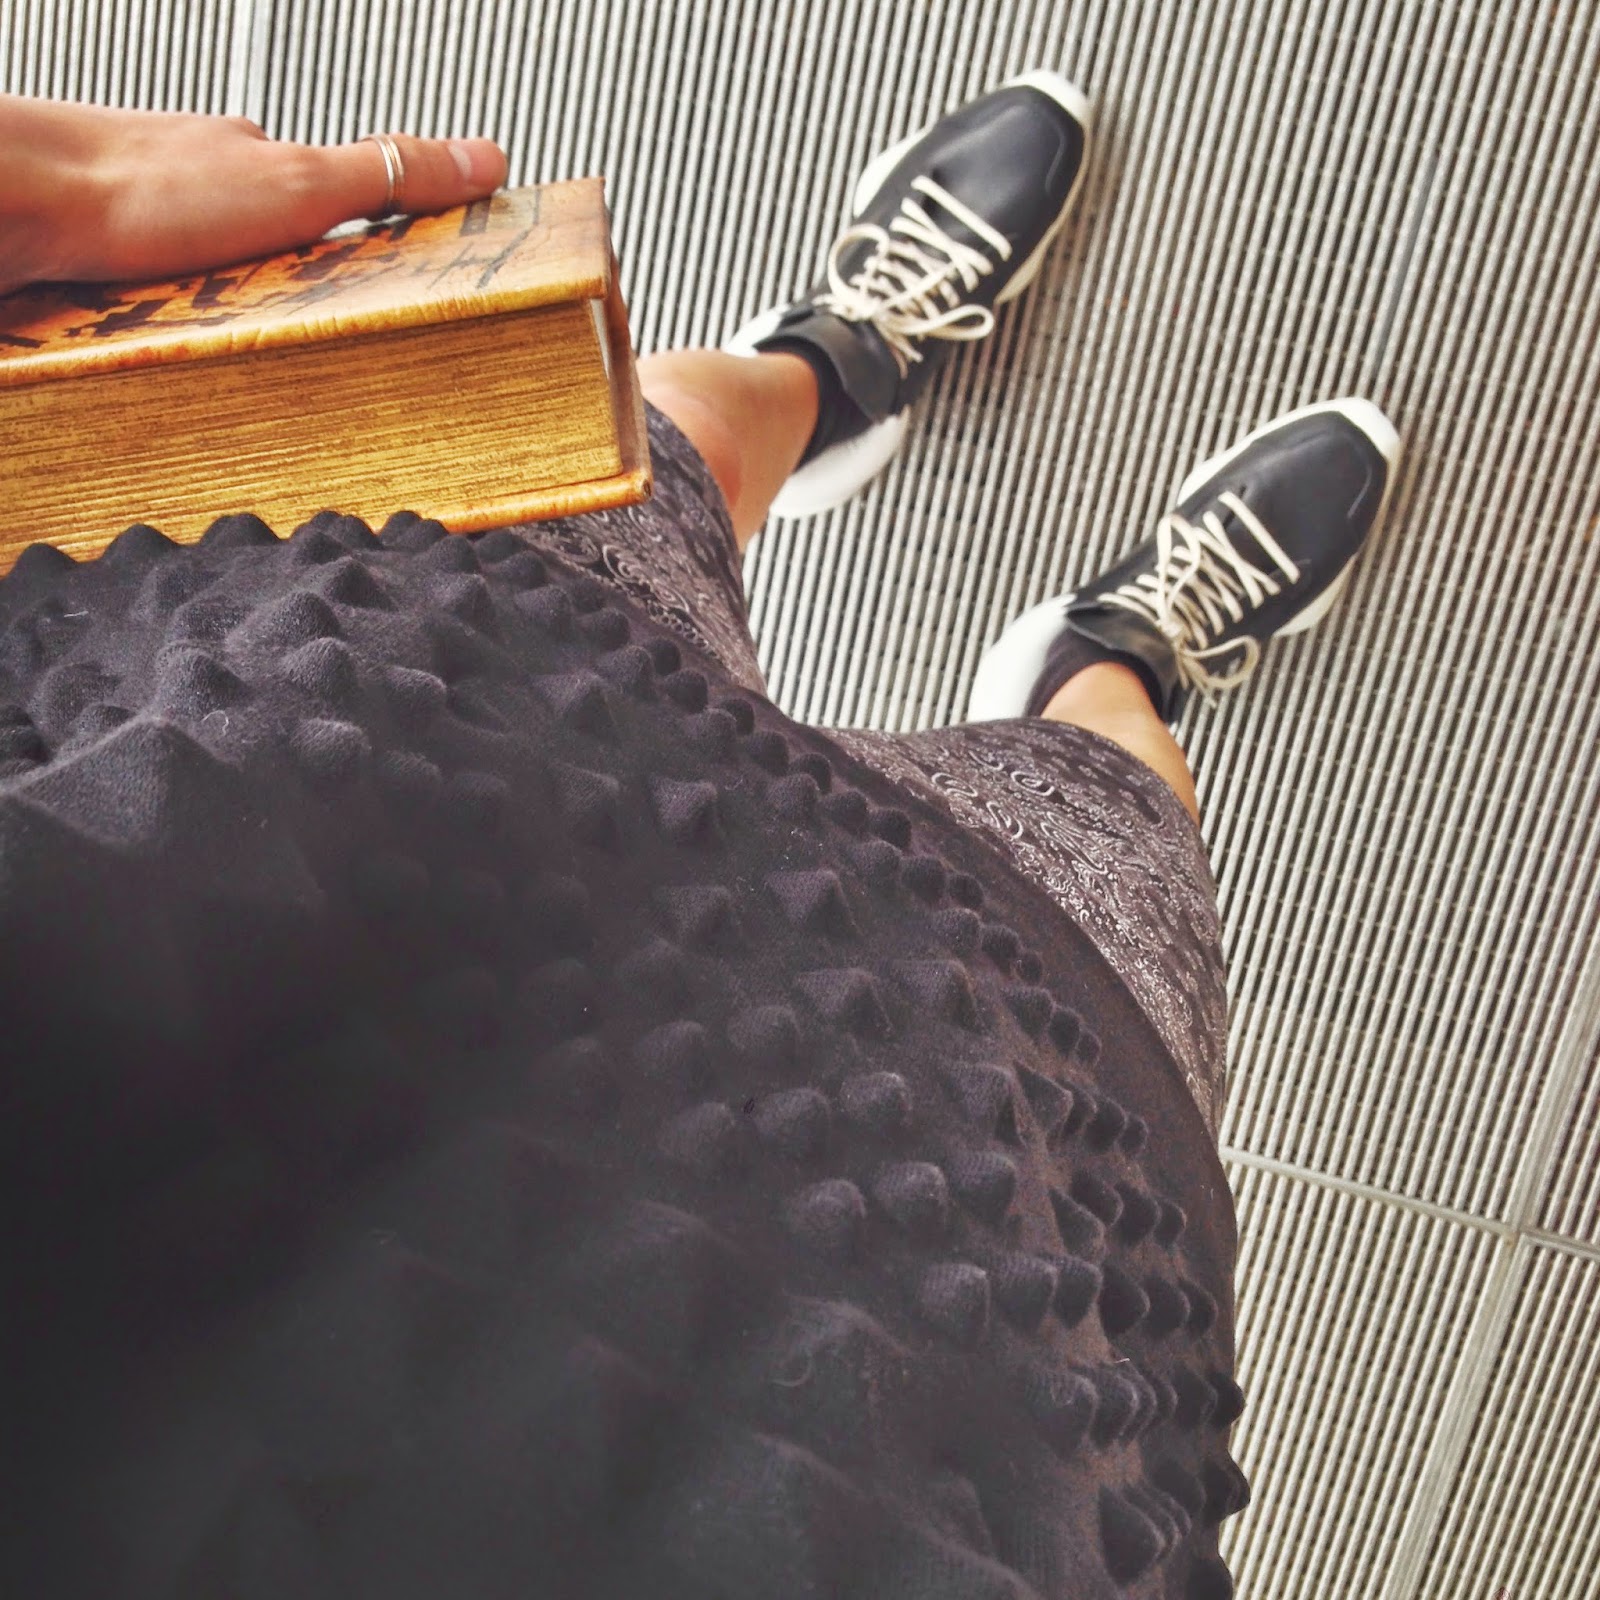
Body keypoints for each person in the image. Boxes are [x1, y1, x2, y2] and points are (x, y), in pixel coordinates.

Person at [0, 75, 1396, 1600]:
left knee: (648, 444)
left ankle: (831, 369)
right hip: (911, 1345)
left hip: (273, 842)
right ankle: (1109, 662)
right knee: (1122, 822)